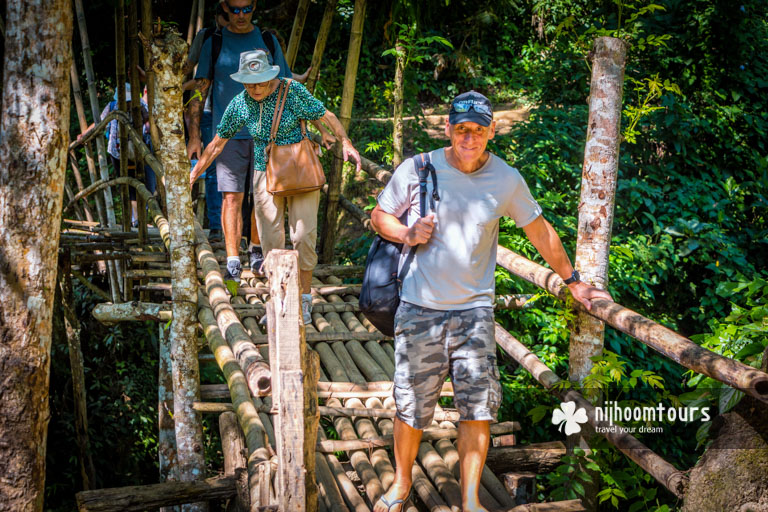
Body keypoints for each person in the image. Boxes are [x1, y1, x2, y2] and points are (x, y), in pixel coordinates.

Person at [369, 91, 613, 512]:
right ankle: (402, 485)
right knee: (410, 407)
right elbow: (380, 215)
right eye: (461, 128)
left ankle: (469, 501)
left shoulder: (505, 179)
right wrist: (407, 233)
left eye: (477, 130)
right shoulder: (418, 168)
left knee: (477, 408)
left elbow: (540, 231)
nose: (468, 137)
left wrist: (573, 281)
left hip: (474, 313)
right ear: (448, 128)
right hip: (419, 307)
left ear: (491, 132)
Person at [189, 50, 361, 324]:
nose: (255, 88)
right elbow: (217, 143)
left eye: (260, 81)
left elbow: (325, 115)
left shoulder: (292, 91)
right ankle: (278, 299)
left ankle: (304, 299)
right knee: (271, 243)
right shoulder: (240, 104)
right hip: (264, 173)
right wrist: (193, 174)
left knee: (303, 238)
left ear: (271, 76)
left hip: (300, 171)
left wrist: (346, 142)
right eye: (249, 83)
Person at [186, 0, 295, 278]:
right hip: (228, 135)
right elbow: (200, 90)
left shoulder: (267, 40)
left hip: (266, 135)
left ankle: (256, 251)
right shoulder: (215, 40)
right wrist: (195, 136)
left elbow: (286, 88)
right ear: (224, 7)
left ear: (255, 7)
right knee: (231, 197)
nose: (241, 15)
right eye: (235, 9)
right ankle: (233, 259)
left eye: (246, 9)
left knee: (263, 198)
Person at [80, 83, 152, 228]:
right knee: (125, 184)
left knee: (141, 183)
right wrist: (85, 135)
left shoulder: (141, 106)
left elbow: (149, 125)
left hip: (138, 151)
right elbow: (99, 123)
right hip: (117, 152)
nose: (127, 103)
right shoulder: (112, 106)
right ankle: (133, 220)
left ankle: (139, 219)